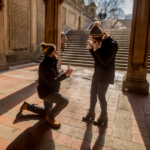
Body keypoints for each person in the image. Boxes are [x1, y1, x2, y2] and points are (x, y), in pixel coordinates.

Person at [20, 43, 73, 127]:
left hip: (51, 90)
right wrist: (65, 75)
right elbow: (51, 82)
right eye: (54, 50)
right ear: (50, 53)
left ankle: (27, 106)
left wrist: (66, 73)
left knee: (46, 111)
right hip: (46, 93)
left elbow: (56, 76)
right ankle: (50, 117)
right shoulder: (44, 65)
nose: (56, 51)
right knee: (64, 101)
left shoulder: (53, 61)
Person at [82, 21, 118, 126]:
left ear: (98, 37)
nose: (92, 40)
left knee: (101, 95)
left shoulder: (111, 45)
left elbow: (105, 61)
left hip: (106, 73)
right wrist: (91, 50)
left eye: (93, 38)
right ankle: (91, 113)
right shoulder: (98, 43)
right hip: (97, 72)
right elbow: (97, 60)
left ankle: (104, 117)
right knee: (93, 93)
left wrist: (96, 50)